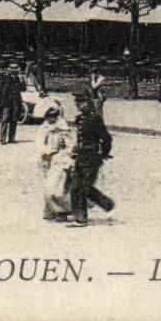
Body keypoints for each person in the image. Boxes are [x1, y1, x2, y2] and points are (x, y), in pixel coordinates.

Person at [67, 93, 115, 227]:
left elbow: (106, 138)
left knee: (84, 187)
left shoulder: (95, 119)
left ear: (86, 104)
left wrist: (103, 154)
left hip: (91, 157)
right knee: (75, 186)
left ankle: (85, 216)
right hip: (81, 156)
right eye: (76, 103)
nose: (77, 105)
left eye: (79, 103)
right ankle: (80, 216)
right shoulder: (80, 119)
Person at [40, 103, 75, 221]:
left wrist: (66, 158)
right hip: (49, 160)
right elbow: (41, 145)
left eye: (53, 117)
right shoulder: (45, 128)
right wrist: (45, 160)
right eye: (49, 117)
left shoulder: (63, 129)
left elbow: (70, 146)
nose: (50, 120)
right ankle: (50, 211)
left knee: (58, 187)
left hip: (61, 160)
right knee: (48, 186)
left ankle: (63, 212)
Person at [0, 63, 24, 144]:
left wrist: (22, 81)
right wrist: (1, 98)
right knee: (5, 119)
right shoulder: (5, 78)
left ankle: (11, 138)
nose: (14, 72)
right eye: (13, 71)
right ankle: (2, 139)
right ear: (10, 71)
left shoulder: (18, 79)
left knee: (14, 120)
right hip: (7, 102)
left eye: (16, 71)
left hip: (15, 102)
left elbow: (23, 89)